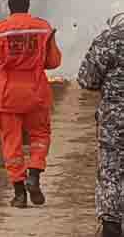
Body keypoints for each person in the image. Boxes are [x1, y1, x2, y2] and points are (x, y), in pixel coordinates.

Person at [0, 0, 62, 208]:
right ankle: (34, 175)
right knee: (40, 135)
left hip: (7, 93)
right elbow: (53, 62)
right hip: (36, 91)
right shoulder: (43, 28)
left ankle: (19, 194)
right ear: (29, 5)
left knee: (12, 143)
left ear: (9, 6)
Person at [77, 12, 124, 237]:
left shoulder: (108, 40)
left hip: (115, 122)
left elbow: (87, 79)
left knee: (112, 169)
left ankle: (112, 225)